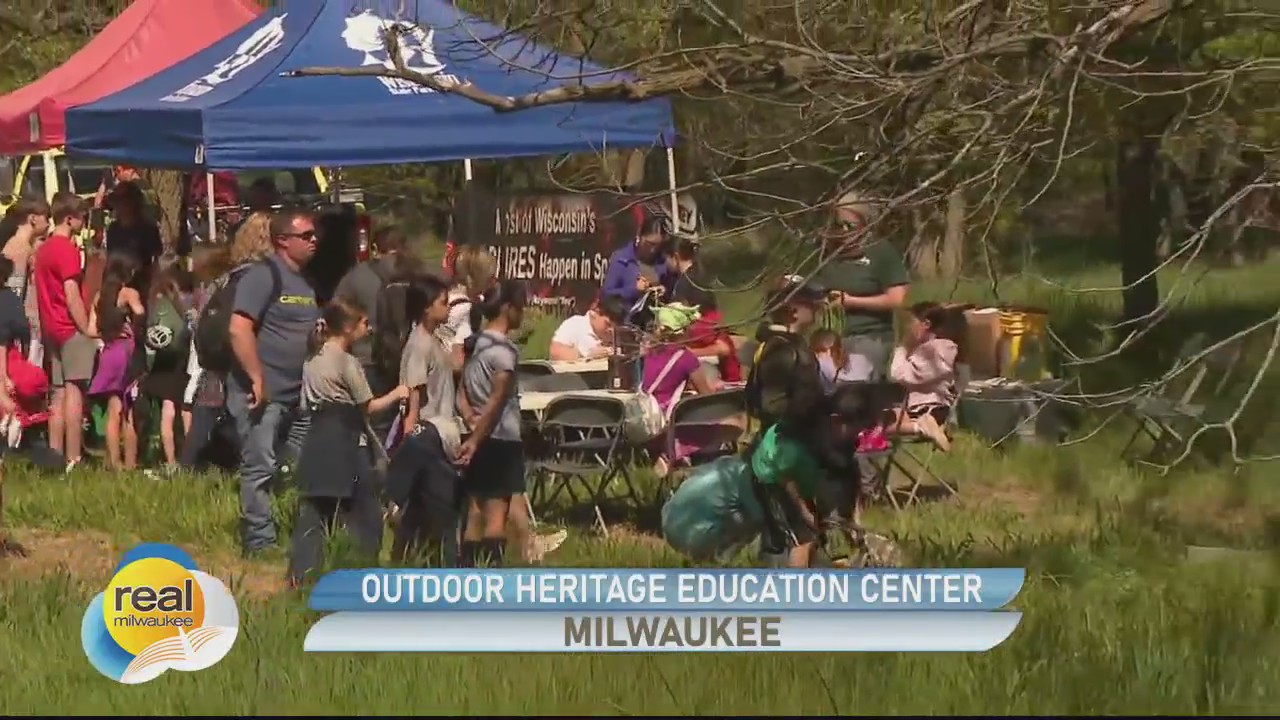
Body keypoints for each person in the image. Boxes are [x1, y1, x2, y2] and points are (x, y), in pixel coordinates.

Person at [288, 297, 408, 586]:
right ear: (348, 328)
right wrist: (398, 392)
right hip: (345, 438)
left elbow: (304, 404)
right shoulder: (347, 361)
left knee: (315, 509)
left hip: (317, 437)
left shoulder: (311, 359)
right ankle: (362, 569)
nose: (368, 329)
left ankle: (301, 574)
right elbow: (368, 406)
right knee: (366, 509)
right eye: (364, 323)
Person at [227, 205, 320, 556]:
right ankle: (260, 541)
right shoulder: (262, 275)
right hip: (262, 396)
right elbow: (239, 329)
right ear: (283, 240)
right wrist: (256, 378)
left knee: (297, 465)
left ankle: (294, 529)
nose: (314, 241)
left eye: (314, 235)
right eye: (306, 236)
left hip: (299, 397)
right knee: (260, 465)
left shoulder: (305, 283)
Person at [387, 276, 463, 566]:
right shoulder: (419, 344)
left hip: (440, 429)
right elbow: (414, 392)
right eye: (443, 303)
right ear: (426, 308)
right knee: (441, 506)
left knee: (422, 507)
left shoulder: (437, 339)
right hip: (429, 432)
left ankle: (404, 559)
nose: (448, 308)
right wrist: (410, 433)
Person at [455, 279, 528, 567]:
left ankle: (466, 568)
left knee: (474, 508)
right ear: (508, 308)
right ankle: (491, 574)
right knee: (496, 515)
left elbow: (461, 393)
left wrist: (470, 420)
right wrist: (478, 437)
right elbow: (497, 402)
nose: (523, 314)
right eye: (520, 307)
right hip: (501, 440)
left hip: (476, 433)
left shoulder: (475, 344)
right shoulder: (504, 353)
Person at [333, 225, 422, 442]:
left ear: (375, 247)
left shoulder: (357, 275)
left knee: (371, 423)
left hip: (368, 357)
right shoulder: (416, 273)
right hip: (407, 358)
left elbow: (335, 311)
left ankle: (373, 468)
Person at [818, 190, 910, 380]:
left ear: (865, 223)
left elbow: (896, 298)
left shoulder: (880, 251)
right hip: (834, 337)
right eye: (839, 224)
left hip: (870, 337)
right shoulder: (830, 253)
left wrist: (851, 301)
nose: (844, 231)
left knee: (857, 389)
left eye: (850, 225)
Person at [33, 192, 95, 472]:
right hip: (70, 328)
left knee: (57, 393)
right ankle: (74, 458)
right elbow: (71, 294)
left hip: (50, 329)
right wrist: (87, 329)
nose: (84, 221)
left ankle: (54, 456)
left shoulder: (43, 249)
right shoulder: (66, 249)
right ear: (70, 218)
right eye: (81, 216)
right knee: (74, 392)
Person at [643, 305, 724, 476]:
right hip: (670, 421)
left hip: (649, 416)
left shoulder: (650, 352)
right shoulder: (686, 357)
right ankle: (700, 465)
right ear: (683, 331)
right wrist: (716, 388)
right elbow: (706, 396)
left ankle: (669, 457)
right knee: (726, 422)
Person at [87, 254, 146, 470]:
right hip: (127, 352)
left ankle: (114, 462)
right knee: (130, 410)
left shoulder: (98, 297)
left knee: (114, 409)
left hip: (108, 352)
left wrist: (108, 332)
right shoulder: (129, 294)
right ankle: (130, 463)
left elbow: (90, 330)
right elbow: (141, 316)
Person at [179, 243, 235, 471]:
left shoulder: (218, 288)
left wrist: (192, 316)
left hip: (216, 363)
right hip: (210, 362)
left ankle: (192, 465)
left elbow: (207, 323)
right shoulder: (211, 287)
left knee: (209, 411)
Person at [140, 254, 194, 470]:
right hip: (179, 360)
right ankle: (188, 458)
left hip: (161, 361)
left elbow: (150, 332)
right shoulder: (180, 297)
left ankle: (171, 461)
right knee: (185, 409)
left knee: (167, 411)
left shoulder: (153, 298)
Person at [888, 301, 961, 451]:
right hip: (921, 409)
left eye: (911, 322)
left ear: (926, 324)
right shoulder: (931, 349)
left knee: (881, 426)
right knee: (880, 421)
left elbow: (902, 375)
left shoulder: (934, 351)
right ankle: (921, 426)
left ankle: (920, 427)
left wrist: (902, 347)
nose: (908, 327)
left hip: (930, 409)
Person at [602, 204, 675, 322]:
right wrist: (633, 290)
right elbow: (607, 295)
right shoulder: (622, 259)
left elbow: (673, 291)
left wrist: (664, 291)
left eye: (657, 245)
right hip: (626, 323)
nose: (652, 249)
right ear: (639, 236)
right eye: (649, 244)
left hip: (655, 325)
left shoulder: (662, 262)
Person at [441, 246, 497, 371]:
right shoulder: (465, 310)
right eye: (489, 277)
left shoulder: (445, 298)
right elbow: (458, 362)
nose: (493, 282)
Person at [104, 181, 163, 285]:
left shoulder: (148, 229)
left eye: (124, 199)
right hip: (116, 285)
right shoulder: (113, 229)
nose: (120, 204)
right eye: (117, 200)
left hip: (142, 285)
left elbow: (156, 261)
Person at [548, 296, 626, 361]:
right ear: (595, 313)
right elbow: (555, 351)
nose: (611, 330)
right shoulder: (574, 324)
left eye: (614, 327)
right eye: (608, 324)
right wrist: (587, 355)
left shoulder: (620, 334)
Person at [0, 198, 50, 300]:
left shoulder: (22, 245)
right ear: (33, 219)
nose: (48, 224)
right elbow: (15, 291)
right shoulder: (20, 247)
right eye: (47, 218)